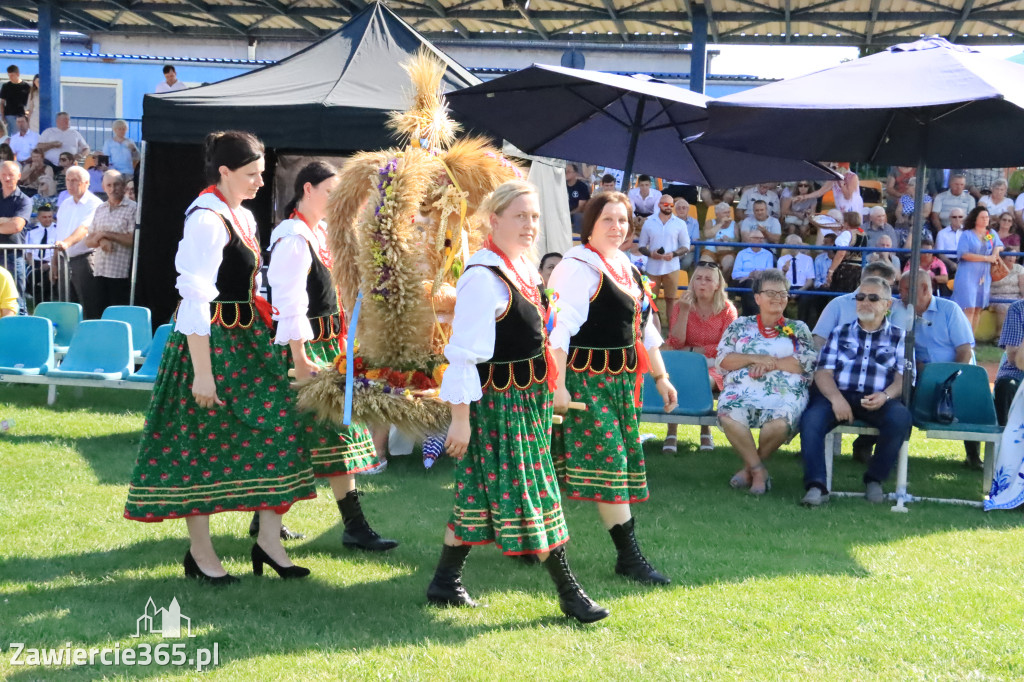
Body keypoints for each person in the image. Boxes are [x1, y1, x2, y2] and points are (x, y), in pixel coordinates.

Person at [125, 130, 316, 584]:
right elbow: (195, 299)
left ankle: (269, 543)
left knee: (282, 427)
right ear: (224, 172)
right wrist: (202, 374)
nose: (259, 183)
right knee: (201, 445)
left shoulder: (242, 217)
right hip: (206, 344)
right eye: (250, 174)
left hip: (247, 340)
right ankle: (201, 553)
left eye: (262, 174)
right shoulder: (207, 218)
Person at [426, 180, 609, 623]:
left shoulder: (523, 268)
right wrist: (460, 421)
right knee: (536, 492)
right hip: (497, 407)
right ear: (494, 219)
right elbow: (464, 356)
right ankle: (570, 594)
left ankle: (444, 582)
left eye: (534, 217)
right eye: (520, 216)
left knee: (480, 493)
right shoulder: (482, 278)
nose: (530, 225)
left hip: (527, 404)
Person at [264, 160, 397, 552]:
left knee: (324, 437)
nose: (338, 201)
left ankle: (271, 520)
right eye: (330, 192)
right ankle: (353, 526)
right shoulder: (292, 236)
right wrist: (301, 360)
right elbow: (289, 305)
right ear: (307, 190)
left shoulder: (320, 233)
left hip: (328, 348)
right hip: (302, 350)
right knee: (328, 436)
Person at [549, 190, 679, 586]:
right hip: (584, 383)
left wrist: (661, 376)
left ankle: (528, 539)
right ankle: (629, 557)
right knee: (608, 464)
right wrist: (557, 387)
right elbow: (557, 332)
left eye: (623, 220)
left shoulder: (627, 266)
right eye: (608, 219)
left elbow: (645, 328)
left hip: (621, 384)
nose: (617, 227)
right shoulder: (578, 267)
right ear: (590, 223)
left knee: (566, 466)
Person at [798, 276, 913, 506]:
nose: (864, 302)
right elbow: (823, 373)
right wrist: (835, 399)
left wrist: (886, 395)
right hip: (838, 394)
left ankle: (874, 480)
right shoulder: (840, 333)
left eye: (873, 297)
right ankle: (816, 485)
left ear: (887, 305)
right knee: (810, 420)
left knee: (901, 418)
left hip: (878, 398)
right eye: (860, 297)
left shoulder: (900, 337)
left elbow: (905, 378)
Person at [716, 269, 816, 495]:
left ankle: (750, 468)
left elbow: (807, 362)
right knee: (729, 415)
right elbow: (723, 359)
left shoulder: (798, 328)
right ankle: (759, 471)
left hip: (785, 392)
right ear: (757, 297)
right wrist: (755, 358)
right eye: (770, 292)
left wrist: (771, 364)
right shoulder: (740, 325)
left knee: (779, 424)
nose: (778, 298)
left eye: (782, 294)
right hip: (742, 390)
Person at [894, 271, 979, 468]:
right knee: (896, 395)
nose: (901, 294)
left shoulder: (950, 310)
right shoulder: (899, 310)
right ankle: (876, 447)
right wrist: (917, 367)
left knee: (971, 397)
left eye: (906, 290)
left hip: (957, 373)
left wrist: (949, 377)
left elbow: (965, 351)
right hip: (919, 373)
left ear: (924, 289)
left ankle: (973, 455)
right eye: (901, 290)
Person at [664, 260, 737, 452]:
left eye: (707, 279)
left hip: (716, 365)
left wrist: (697, 350)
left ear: (717, 285)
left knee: (702, 380)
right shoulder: (682, 306)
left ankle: (705, 430)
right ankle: (672, 430)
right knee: (676, 378)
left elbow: (727, 346)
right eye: (698, 278)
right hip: (686, 362)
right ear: (692, 283)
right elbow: (676, 342)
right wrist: (685, 312)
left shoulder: (728, 310)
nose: (702, 283)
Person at [53, 166, 102, 319]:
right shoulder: (65, 204)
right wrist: (55, 260)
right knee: (65, 306)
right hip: (63, 260)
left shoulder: (94, 204)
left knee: (87, 305)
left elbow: (84, 228)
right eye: (68, 180)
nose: (70, 184)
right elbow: (59, 233)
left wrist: (66, 244)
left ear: (86, 183)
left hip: (84, 259)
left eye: (75, 181)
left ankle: (91, 338)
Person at [83, 170, 136, 311]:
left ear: (124, 186)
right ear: (103, 187)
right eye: (109, 185)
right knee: (99, 313)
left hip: (121, 275)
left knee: (119, 314)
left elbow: (133, 240)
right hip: (100, 272)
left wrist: (105, 234)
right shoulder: (100, 209)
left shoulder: (133, 208)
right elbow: (88, 241)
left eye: (116, 184)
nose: (113, 189)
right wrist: (101, 240)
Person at [638, 193, 689, 320]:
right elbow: (641, 246)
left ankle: (671, 331)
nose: (668, 207)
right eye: (665, 204)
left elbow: (686, 246)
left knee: (671, 299)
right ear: (659, 205)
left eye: (671, 205)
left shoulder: (680, 224)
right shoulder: (649, 222)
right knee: (650, 300)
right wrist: (651, 254)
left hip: (672, 266)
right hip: (652, 267)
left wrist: (674, 254)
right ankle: (652, 330)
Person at [952, 206, 1003, 330]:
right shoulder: (967, 235)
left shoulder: (989, 234)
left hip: (983, 275)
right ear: (975, 219)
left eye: (987, 217)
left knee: (977, 308)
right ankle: (965, 340)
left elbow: (999, 245)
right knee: (968, 308)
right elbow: (963, 254)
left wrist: (995, 250)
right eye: (982, 217)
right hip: (968, 274)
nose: (986, 219)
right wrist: (986, 258)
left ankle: (972, 341)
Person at [0, 160, 31, 314]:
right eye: (3, 175)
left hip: (13, 256)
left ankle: (20, 333)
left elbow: (16, 226)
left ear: (18, 176)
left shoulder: (24, 200)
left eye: (10, 175)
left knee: (17, 299)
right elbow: (11, 224)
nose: (7, 178)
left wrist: (8, 222)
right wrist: (5, 220)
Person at [731, 231, 775, 315]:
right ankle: (757, 314)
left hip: (761, 283)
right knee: (750, 283)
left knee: (750, 286)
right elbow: (735, 274)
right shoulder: (742, 254)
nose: (760, 240)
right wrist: (749, 274)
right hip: (742, 283)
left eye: (762, 238)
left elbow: (769, 274)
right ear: (750, 240)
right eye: (757, 238)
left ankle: (748, 315)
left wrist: (759, 274)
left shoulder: (768, 254)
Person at [994, 299, 1023, 426]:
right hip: (1017, 372)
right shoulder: (1018, 308)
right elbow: (1014, 357)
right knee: (1006, 386)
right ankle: (1005, 438)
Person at [777, 234, 816, 322]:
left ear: (800, 245)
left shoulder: (808, 259)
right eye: (791, 244)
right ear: (786, 245)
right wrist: (784, 272)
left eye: (796, 244)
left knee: (805, 299)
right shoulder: (782, 260)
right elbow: (779, 280)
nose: (794, 247)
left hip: (803, 287)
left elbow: (810, 280)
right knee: (778, 298)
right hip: (786, 287)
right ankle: (783, 324)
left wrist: (800, 291)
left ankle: (802, 325)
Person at [826, 211, 867, 293]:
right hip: (859, 269)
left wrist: (831, 270)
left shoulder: (847, 234)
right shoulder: (863, 233)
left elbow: (841, 253)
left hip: (846, 271)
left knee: (841, 296)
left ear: (847, 222)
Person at [24, 203, 55, 302]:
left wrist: (49, 265)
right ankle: (39, 304)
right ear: (38, 218)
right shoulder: (31, 232)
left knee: (47, 280)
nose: (48, 219)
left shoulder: (58, 230)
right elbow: (28, 253)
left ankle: (43, 303)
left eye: (50, 217)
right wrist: (33, 265)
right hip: (36, 264)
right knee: (32, 280)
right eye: (44, 217)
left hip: (53, 263)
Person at [990, 252, 1024, 338]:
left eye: (1014, 256)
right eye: (1010, 255)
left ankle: (1018, 336)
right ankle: (1000, 336)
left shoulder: (1018, 268)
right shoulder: (994, 267)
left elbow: (1022, 284)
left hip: (1015, 296)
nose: (1012, 258)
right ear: (1003, 258)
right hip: (997, 296)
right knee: (1004, 307)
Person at [702, 202, 739, 278]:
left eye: (729, 212)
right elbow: (707, 234)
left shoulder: (734, 224)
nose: (728, 215)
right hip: (710, 252)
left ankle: (721, 282)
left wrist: (729, 240)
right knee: (704, 264)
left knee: (729, 263)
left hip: (727, 252)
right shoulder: (710, 222)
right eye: (725, 213)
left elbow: (737, 240)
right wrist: (720, 224)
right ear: (717, 214)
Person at [935, 208, 967, 282]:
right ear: (950, 218)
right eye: (954, 217)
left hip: (964, 259)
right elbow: (940, 254)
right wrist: (950, 263)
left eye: (960, 217)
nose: (957, 219)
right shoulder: (942, 233)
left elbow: (988, 238)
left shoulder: (968, 233)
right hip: (947, 260)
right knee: (942, 270)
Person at [673, 197, 701, 270]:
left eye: (684, 208)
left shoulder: (694, 222)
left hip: (688, 250)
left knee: (686, 262)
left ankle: (679, 278)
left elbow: (694, 243)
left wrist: (682, 253)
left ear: (688, 209)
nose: (681, 210)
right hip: (673, 249)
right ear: (675, 210)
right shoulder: (670, 222)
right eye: (678, 208)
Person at [0, 65, 30, 135]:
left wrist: (27, 114)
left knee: (20, 134)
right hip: (9, 115)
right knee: (9, 134)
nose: (10, 78)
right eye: (9, 76)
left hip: (21, 114)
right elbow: (2, 102)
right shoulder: (5, 86)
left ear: (18, 74)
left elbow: (30, 102)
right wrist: (3, 116)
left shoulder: (26, 86)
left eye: (12, 75)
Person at [564, 163, 590, 231]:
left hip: (576, 218)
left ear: (575, 173)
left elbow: (581, 207)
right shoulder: (561, 186)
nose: (566, 173)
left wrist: (568, 214)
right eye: (565, 171)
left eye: (568, 171)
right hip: (562, 216)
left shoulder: (582, 187)